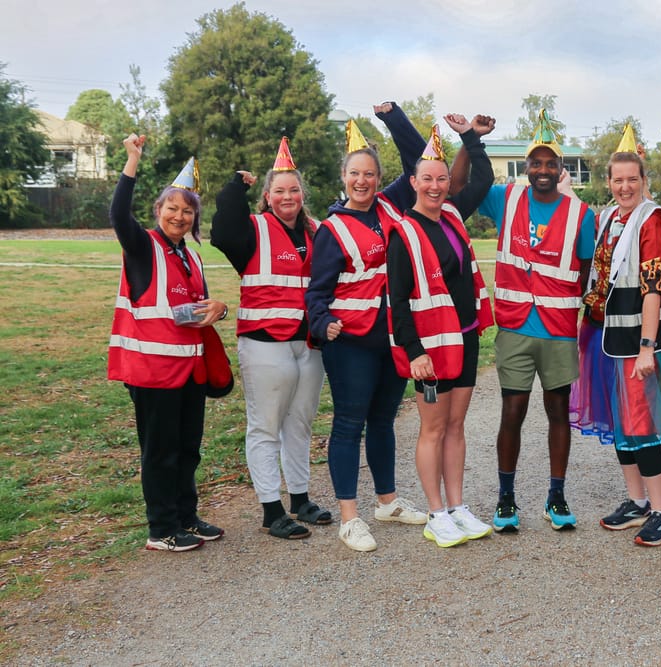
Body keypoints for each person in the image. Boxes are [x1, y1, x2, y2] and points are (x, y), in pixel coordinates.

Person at [304, 102, 429, 552]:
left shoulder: (392, 205)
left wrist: (393, 116)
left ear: (379, 178)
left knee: (383, 422)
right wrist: (323, 323)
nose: (363, 181)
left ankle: (388, 502)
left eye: (370, 174)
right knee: (348, 424)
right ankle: (350, 518)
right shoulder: (331, 229)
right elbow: (316, 292)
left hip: (391, 337)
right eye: (355, 174)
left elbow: (420, 160)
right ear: (344, 178)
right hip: (351, 342)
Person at [571, 128, 661, 547]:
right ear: (609, 182)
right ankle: (636, 501)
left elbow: (653, 285)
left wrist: (646, 345)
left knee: (640, 425)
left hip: (636, 341)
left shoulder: (651, 218)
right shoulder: (608, 217)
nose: (625, 186)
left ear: (644, 181)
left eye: (632, 180)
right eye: (618, 180)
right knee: (619, 422)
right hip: (606, 336)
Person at [475, 110, 596, 532]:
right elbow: (462, 186)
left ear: (560, 169)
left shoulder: (582, 214)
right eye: (535, 163)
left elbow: (583, 269)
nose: (543, 170)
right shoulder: (505, 198)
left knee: (558, 411)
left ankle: (556, 495)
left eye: (550, 163)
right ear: (526, 167)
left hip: (558, 328)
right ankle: (506, 498)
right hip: (514, 325)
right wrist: (471, 141)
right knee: (513, 411)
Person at [108, 134, 227, 552]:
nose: (179, 216)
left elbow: (197, 309)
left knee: (187, 449)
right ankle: (161, 528)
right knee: (160, 453)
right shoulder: (142, 247)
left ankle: (186, 516)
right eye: (172, 208)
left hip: (189, 369)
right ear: (158, 210)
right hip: (153, 372)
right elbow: (118, 214)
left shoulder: (190, 255)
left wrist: (219, 308)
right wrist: (132, 161)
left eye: (187, 210)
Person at [211, 137, 329, 541]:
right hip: (265, 343)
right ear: (267, 196)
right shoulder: (253, 230)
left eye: (294, 189)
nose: (287, 197)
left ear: (302, 194)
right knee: (265, 426)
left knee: (299, 423)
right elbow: (222, 230)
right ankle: (271, 508)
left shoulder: (314, 232)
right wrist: (233, 188)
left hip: (307, 345)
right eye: (279, 191)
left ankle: (299, 498)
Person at [386, 115, 495, 548]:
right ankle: (435, 512)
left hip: (464, 338)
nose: (434, 186)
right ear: (413, 182)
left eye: (441, 179)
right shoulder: (403, 232)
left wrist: (469, 136)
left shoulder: (451, 214)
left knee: (456, 426)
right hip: (429, 348)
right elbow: (396, 301)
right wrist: (414, 351)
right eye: (426, 179)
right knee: (432, 428)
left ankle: (457, 506)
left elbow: (483, 176)